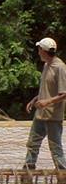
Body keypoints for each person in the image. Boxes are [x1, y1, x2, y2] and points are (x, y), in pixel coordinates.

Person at [23, 37, 66, 170]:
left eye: (39, 49)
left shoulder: (60, 68)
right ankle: (28, 170)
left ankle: (62, 175)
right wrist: (35, 99)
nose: (38, 52)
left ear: (43, 50)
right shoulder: (46, 65)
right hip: (40, 114)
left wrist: (47, 101)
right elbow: (46, 89)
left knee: (55, 147)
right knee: (32, 143)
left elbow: (64, 93)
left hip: (53, 115)